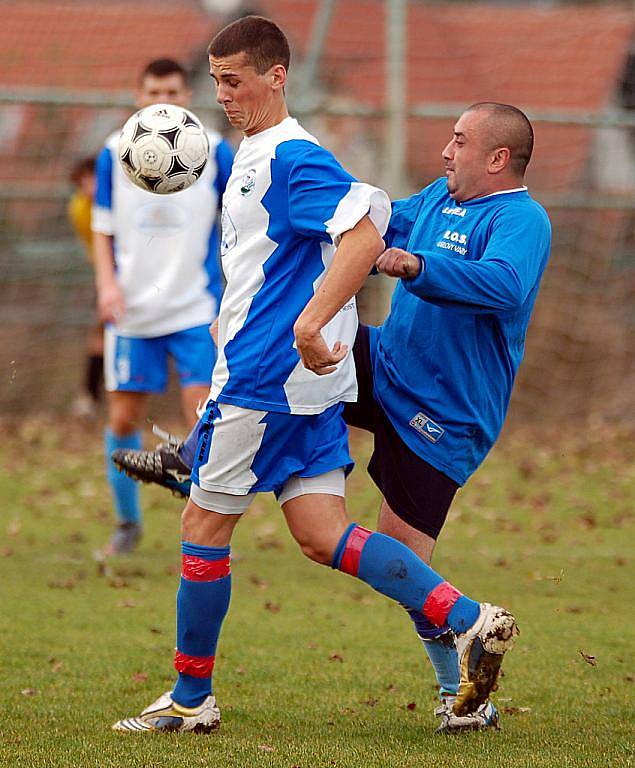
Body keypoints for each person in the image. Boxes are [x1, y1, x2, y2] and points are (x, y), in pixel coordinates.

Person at [111, 16, 518, 735]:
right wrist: (232, 319)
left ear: (276, 77)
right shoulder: (252, 154)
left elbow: (362, 233)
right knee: (321, 532)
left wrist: (308, 322)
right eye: (216, 83)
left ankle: (188, 698)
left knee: (203, 523)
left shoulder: (290, 157)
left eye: (234, 82)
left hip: (264, 383)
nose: (224, 95)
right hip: (291, 382)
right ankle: (467, 619)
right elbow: (277, 265)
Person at [92, 57, 234, 556]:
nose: (163, 103)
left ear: (186, 97)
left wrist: (232, 293)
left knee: (203, 421)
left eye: (173, 93)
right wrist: (107, 286)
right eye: (154, 93)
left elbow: (239, 223)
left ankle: (206, 531)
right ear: (139, 97)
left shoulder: (214, 149)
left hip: (197, 307)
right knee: (124, 420)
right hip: (133, 311)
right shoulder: (114, 151)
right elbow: (102, 227)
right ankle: (127, 525)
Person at [68, 157, 103, 419]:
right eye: (83, 182)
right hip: (109, 276)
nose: (89, 186)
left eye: (93, 178)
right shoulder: (80, 209)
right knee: (100, 332)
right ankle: (90, 395)